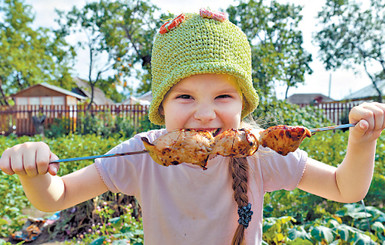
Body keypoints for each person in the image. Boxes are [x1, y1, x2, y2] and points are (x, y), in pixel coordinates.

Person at [1, 9, 385, 245]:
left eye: (222, 97)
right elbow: (57, 196)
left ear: (243, 103)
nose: (204, 114)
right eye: (185, 97)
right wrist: (34, 170)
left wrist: (362, 142)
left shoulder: (260, 154)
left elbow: (343, 188)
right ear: (161, 106)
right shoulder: (143, 154)